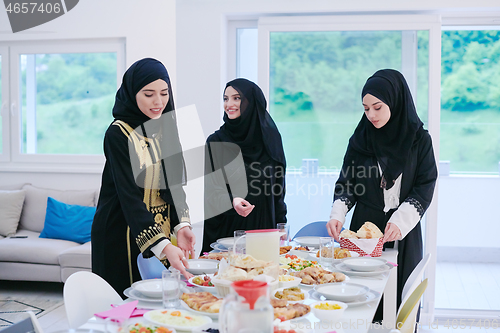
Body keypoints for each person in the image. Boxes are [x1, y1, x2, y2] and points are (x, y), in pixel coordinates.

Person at [326, 69, 437, 319]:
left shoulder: (419, 140)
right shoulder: (360, 140)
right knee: (362, 304)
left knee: (398, 308)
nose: (371, 115)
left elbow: (426, 183)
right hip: (363, 231)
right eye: (365, 109)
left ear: (395, 101)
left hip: (402, 232)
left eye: (377, 107)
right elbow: (347, 183)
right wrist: (337, 215)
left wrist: (401, 220)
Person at [91, 58, 195, 297]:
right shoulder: (118, 134)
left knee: (163, 302)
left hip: (158, 231)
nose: (158, 102)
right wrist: (164, 245)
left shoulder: (165, 127)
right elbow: (129, 196)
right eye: (148, 94)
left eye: (164, 93)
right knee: (125, 305)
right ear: (132, 93)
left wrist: (182, 225)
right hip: (119, 232)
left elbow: (174, 184)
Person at [201, 78, 287, 254]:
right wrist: (233, 200)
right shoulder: (216, 142)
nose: (229, 104)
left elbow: (279, 188)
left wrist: (282, 224)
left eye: (236, 98)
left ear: (251, 102)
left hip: (264, 230)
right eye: (225, 98)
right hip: (229, 232)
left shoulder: (270, 139)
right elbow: (212, 191)